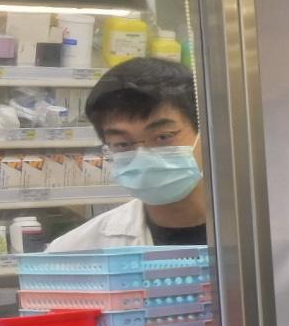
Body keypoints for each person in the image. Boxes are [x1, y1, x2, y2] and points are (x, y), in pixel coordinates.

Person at [54, 56, 210, 250]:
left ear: (206, 134)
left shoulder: (254, 230)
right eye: (122, 144)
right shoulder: (75, 251)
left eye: (163, 137)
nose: (143, 156)